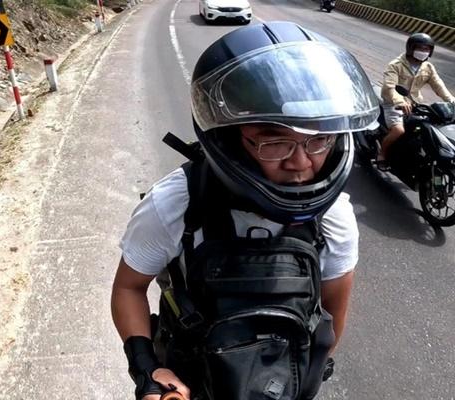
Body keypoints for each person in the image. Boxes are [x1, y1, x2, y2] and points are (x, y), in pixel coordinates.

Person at [111, 21, 379, 400]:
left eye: (319, 140)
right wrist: (148, 370)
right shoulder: (176, 201)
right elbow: (129, 287)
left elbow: (332, 317)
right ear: (229, 140)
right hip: (189, 383)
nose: (301, 163)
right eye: (275, 143)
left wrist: (301, 376)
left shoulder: (334, 217)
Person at [379, 32, 455, 161]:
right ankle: (382, 154)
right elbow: (389, 87)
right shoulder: (396, 65)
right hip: (394, 104)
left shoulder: (428, 67)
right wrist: (400, 101)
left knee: (430, 127)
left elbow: (439, 86)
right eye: (420, 48)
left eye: (427, 49)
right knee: (398, 130)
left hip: (415, 104)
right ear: (411, 48)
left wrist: (452, 100)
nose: (423, 52)